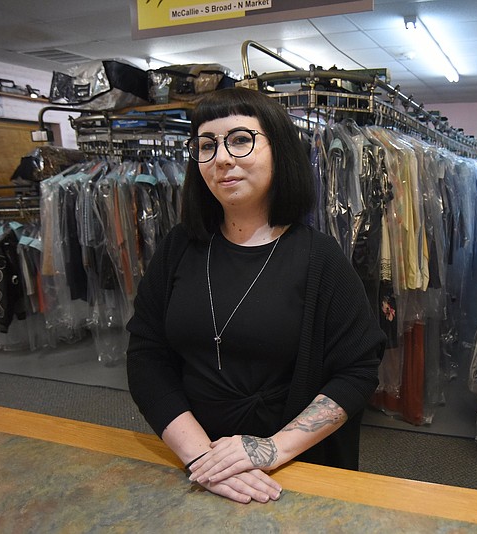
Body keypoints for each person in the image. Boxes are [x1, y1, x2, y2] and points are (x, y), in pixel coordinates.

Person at [126, 87, 386, 504]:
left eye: (241, 140)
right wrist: (203, 459)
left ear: (278, 150)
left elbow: (357, 370)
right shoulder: (179, 248)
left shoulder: (320, 257)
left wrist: (270, 450)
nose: (222, 158)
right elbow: (146, 356)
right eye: (206, 146)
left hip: (289, 471)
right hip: (194, 464)